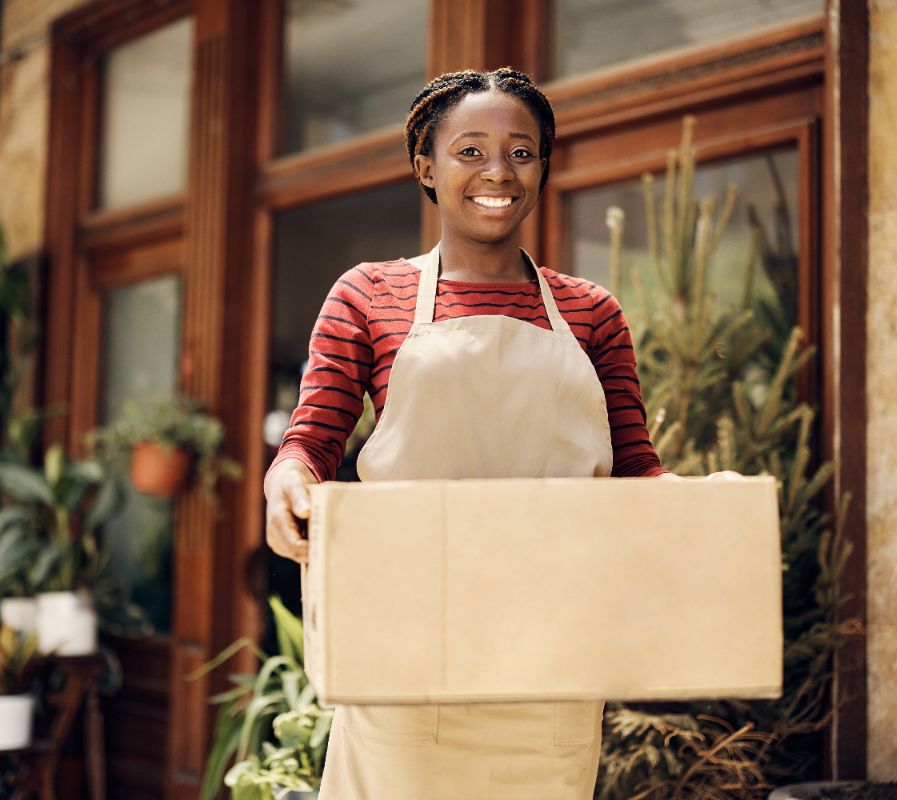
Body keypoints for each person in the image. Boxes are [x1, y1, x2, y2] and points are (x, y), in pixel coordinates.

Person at [264, 68, 673, 799]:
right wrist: (286, 480)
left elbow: (636, 469)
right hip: (406, 647)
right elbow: (312, 442)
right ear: (427, 165)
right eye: (470, 151)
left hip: (552, 654)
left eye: (522, 153)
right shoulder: (368, 294)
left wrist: (706, 506)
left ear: (544, 166)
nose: (498, 172)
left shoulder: (591, 313)